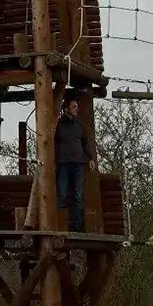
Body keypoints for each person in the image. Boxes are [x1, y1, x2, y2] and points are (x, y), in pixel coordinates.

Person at [54, 90, 95, 233]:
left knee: (77, 195)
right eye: (74, 107)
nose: (77, 109)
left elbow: (85, 143)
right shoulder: (58, 125)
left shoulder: (79, 126)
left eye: (77, 107)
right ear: (66, 110)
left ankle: (76, 226)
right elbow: (51, 144)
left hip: (78, 164)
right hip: (64, 164)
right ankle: (59, 224)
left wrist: (90, 158)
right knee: (62, 194)